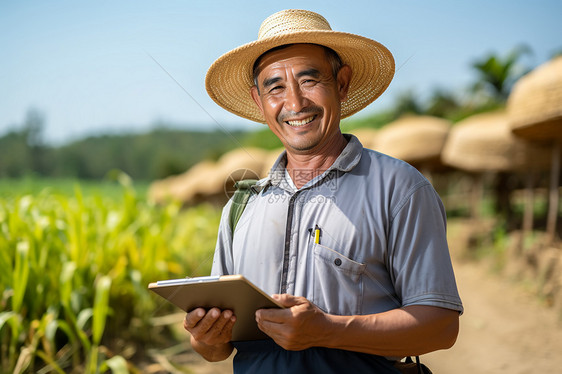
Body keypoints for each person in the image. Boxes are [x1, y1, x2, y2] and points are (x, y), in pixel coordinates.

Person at [183, 9, 463, 373]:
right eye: (275, 87)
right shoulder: (242, 205)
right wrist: (207, 336)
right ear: (258, 100)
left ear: (342, 83)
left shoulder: (400, 189)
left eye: (309, 80)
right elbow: (216, 352)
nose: (296, 104)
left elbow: (440, 327)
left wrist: (327, 331)